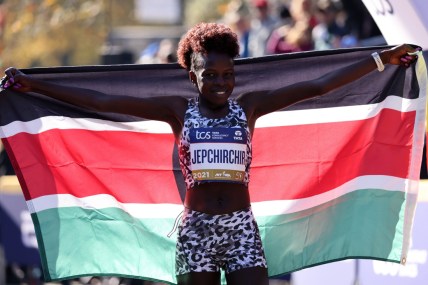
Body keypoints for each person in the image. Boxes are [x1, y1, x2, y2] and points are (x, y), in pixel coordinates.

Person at [1, 22, 419, 285]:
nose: (221, 82)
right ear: (192, 75)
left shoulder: (249, 106)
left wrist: (381, 59)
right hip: (197, 230)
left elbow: (318, 86)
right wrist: (36, 87)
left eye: (228, 74)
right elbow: (100, 100)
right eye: (210, 75)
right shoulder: (176, 110)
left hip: (241, 229)